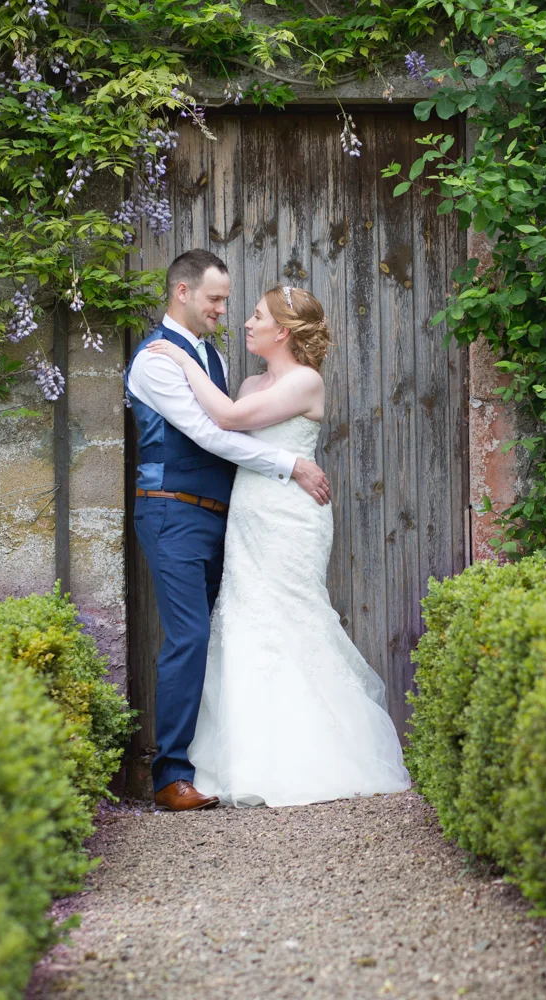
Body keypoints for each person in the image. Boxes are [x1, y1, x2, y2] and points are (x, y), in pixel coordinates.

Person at [144, 282, 411, 807]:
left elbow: (228, 418)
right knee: (244, 620)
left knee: (291, 614)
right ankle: (240, 758)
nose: (246, 322)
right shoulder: (247, 379)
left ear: (282, 332)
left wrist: (179, 356)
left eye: (258, 316)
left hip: (290, 517)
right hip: (248, 513)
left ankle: (314, 755)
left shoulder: (306, 381)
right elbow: (229, 439)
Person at [126, 249, 332, 812]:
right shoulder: (157, 360)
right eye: (216, 298)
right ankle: (169, 775)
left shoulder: (212, 358)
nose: (225, 309)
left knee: (228, 635)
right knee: (190, 637)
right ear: (183, 293)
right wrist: (290, 465)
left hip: (229, 517)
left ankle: (229, 759)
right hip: (173, 512)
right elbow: (207, 432)